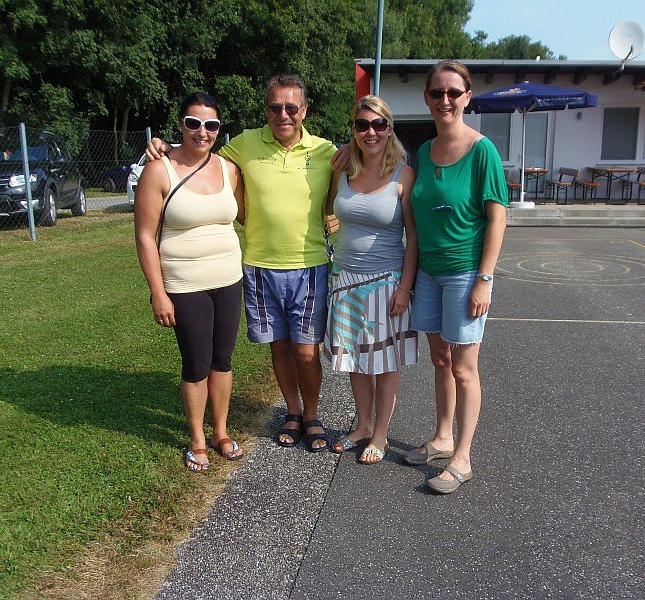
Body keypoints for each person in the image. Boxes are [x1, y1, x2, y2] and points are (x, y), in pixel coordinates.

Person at [147, 75, 336, 452]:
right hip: (259, 265)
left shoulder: (328, 152)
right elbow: (198, 153)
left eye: (291, 107)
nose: (283, 114)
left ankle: (313, 415)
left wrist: (338, 216)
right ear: (265, 109)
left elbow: (364, 173)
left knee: (305, 350)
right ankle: (293, 413)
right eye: (274, 107)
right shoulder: (245, 145)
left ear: (305, 110)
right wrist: (162, 146)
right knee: (279, 348)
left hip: (310, 264)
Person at [403, 60, 508, 493]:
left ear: (466, 97)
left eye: (452, 92)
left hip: (466, 273)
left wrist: (485, 279)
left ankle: (462, 458)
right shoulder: (424, 152)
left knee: (464, 368)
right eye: (436, 93)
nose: (444, 100)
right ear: (427, 98)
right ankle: (442, 437)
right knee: (440, 360)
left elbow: (497, 219)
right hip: (429, 271)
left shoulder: (483, 151)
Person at [134, 92, 245, 472]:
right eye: (193, 123)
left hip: (229, 279)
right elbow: (145, 235)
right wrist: (158, 292)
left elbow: (247, 212)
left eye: (211, 125)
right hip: (184, 284)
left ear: (218, 129)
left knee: (222, 360)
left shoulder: (229, 169)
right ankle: (197, 438)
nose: (202, 132)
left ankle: (221, 432)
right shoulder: (158, 169)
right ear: (180, 124)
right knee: (196, 363)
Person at [324, 95, 418, 464]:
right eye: (362, 125)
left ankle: (380, 434)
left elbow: (414, 238)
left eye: (379, 124)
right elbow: (329, 209)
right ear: (354, 129)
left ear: (389, 129)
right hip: (345, 278)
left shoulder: (403, 175)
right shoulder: (344, 168)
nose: (370, 132)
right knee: (355, 360)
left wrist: (405, 288)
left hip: (386, 281)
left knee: (385, 363)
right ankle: (362, 426)